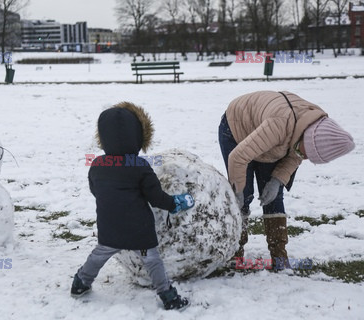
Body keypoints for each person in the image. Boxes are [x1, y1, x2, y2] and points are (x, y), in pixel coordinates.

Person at [71, 102, 194, 311]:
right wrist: (175, 203)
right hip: (139, 230)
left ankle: (80, 283)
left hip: (109, 225)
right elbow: (156, 197)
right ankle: (167, 295)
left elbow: (95, 190)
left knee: (99, 254)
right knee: (152, 260)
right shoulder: (139, 166)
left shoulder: (98, 165)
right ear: (137, 136)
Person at [218, 90, 355, 268]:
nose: (302, 158)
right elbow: (238, 158)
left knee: (274, 195)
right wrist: (238, 191)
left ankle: (279, 256)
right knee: (244, 195)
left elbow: (296, 154)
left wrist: (277, 181)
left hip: (272, 140)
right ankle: (235, 253)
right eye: (304, 153)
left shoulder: (313, 127)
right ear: (307, 138)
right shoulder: (280, 125)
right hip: (237, 128)